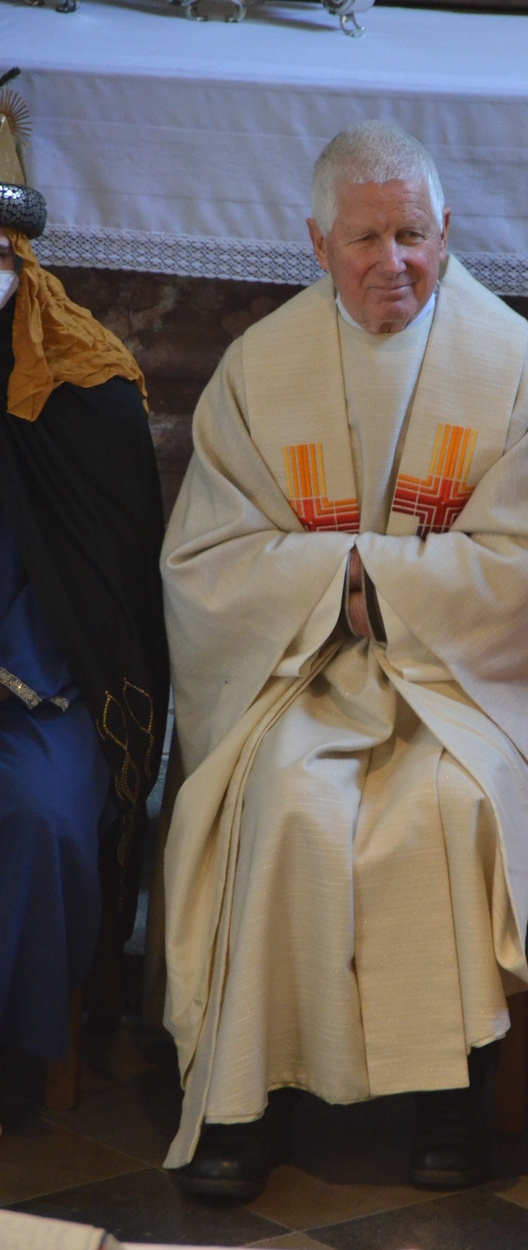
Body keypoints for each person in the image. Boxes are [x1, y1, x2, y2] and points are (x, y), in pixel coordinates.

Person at [160, 120, 528, 1199]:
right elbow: (205, 557)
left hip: (458, 679)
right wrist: (336, 586)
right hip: (300, 669)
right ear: (317, 243)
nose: (393, 261)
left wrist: (372, 582)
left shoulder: (514, 365)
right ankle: (249, 1096)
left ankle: (450, 1094)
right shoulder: (259, 370)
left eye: (413, 234)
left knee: (446, 805)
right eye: (364, 238)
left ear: (447, 230)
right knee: (286, 799)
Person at [0, 78, 169, 1128]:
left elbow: (108, 591)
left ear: (19, 257)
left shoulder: (87, 392)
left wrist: (25, 668)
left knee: (43, 816)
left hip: (41, 682)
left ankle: (20, 1046)